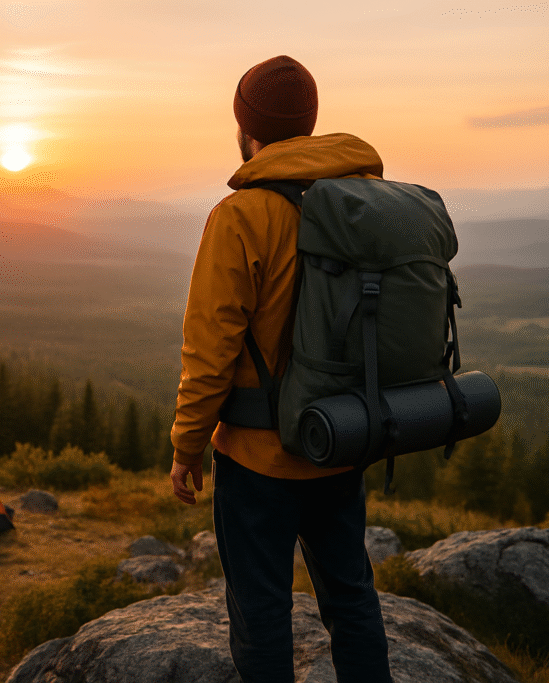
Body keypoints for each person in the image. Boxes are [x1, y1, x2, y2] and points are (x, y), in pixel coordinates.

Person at [169, 55, 394, 683]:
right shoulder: (363, 201)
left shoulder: (241, 216)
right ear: (312, 120)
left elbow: (209, 352)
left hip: (257, 459)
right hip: (340, 440)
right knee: (351, 598)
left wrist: (186, 448)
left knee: (262, 611)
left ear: (245, 128)